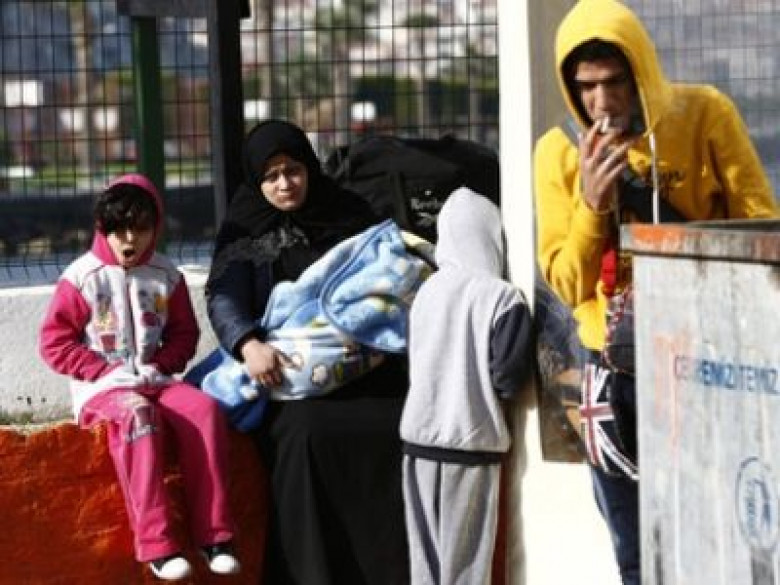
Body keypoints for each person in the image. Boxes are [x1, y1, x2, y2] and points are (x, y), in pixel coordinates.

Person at [533, 1, 779, 583]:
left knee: (724, 530)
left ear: (640, 70)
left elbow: (761, 226)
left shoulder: (703, 114)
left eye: (615, 81)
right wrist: (592, 206)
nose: (602, 101)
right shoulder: (558, 152)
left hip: (703, 357)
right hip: (612, 369)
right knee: (636, 547)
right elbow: (566, 282)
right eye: (586, 86)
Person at [205, 119, 410, 585]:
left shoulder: (348, 213)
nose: (285, 184)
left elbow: (385, 276)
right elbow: (224, 295)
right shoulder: (244, 229)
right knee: (306, 435)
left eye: (293, 170)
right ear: (256, 180)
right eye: (271, 176)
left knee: (396, 425)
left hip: (364, 364)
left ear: (310, 168)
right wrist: (247, 343)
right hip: (289, 379)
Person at [38, 173, 240, 581]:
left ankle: (215, 536)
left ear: (156, 227)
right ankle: (158, 547)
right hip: (105, 391)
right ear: (103, 228)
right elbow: (54, 342)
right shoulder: (81, 277)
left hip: (156, 380)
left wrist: (163, 364)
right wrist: (102, 371)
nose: (130, 239)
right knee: (138, 419)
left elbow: (184, 333)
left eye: (142, 228)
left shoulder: (167, 275)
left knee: (204, 411)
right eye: (119, 230)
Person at [399, 187, 534, 585]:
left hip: (416, 443)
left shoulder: (426, 291)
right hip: (471, 446)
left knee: (425, 565)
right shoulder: (502, 297)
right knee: (466, 567)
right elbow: (509, 378)